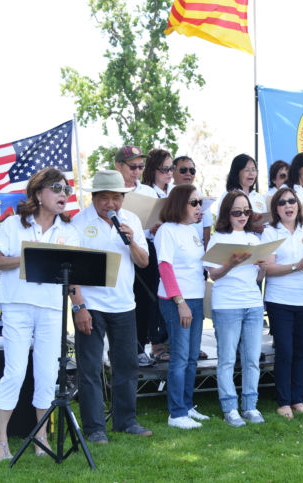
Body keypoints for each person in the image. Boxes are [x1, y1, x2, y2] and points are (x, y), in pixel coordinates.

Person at [0, 167, 79, 461]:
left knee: (48, 373)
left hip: (52, 307)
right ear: (39, 194)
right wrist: (28, 257)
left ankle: (42, 437)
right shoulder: (14, 224)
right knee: (15, 372)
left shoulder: (69, 231)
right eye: (57, 188)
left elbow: (74, 274)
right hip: (17, 304)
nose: (64, 194)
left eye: (67, 189)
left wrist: (79, 306)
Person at [71, 170, 152, 443]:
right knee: (91, 368)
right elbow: (70, 269)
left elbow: (143, 262)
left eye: (116, 198)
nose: (111, 204)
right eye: (104, 198)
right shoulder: (78, 223)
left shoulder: (131, 220)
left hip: (124, 305)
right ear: (94, 197)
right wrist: (79, 307)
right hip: (91, 305)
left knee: (127, 366)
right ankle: (95, 428)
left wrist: (131, 241)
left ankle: (126, 421)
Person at [206, 192, 267, 427]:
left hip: (252, 303)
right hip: (227, 304)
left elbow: (258, 277)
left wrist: (262, 266)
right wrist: (230, 263)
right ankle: (230, 408)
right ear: (227, 213)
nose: (242, 216)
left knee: (252, 359)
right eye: (237, 212)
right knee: (227, 359)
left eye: (246, 211)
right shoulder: (218, 239)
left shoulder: (253, 238)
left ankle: (250, 406)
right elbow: (213, 275)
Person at [262, 187, 303, 419]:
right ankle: (283, 401)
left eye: (292, 201)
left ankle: (298, 399)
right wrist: (297, 265)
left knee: (302, 351)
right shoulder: (270, 233)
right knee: (285, 351)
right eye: (282, 202)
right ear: (276, 209)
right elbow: (269, 268)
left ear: (298, 205)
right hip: (279, 300)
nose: (288, 206)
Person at [155, 184, 208, 429]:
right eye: (193, 202)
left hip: (195, 298)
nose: (199, 207)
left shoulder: (192, 230)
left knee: (192, 357)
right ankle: (176, 413)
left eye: (200, 202)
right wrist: (180, 302)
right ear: (179, 204)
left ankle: (186, 406)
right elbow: (165, 268)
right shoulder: (167, 230)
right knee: (180, 357)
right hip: (177, 301)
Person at [135, 148, 174, 364]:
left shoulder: (174, 191)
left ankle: (169, 342)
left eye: (171, 168)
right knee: (150, 299)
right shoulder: (146, 193)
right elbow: (139, 225)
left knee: (170, 297)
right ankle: (154, 344)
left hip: (172, 250)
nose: (169, 173)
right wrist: (152, 229)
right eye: (164, 169)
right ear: (153, 170)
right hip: (150, 249)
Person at [217, 154, 267, 234]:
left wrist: (264, 228)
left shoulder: (259, 197)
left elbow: (266, 224)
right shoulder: (228, 196)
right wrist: (249, 227)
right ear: (237, 172)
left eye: (254, 170)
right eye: (247, 170)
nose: (251, 173)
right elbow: (222, 223)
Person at [173, 155, 213, 249]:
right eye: (183, 170)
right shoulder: (166, 195)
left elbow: (206, 228)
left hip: (197, 250)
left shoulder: (201, 197)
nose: (188, 174)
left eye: (192, 171)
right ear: (173, 171)